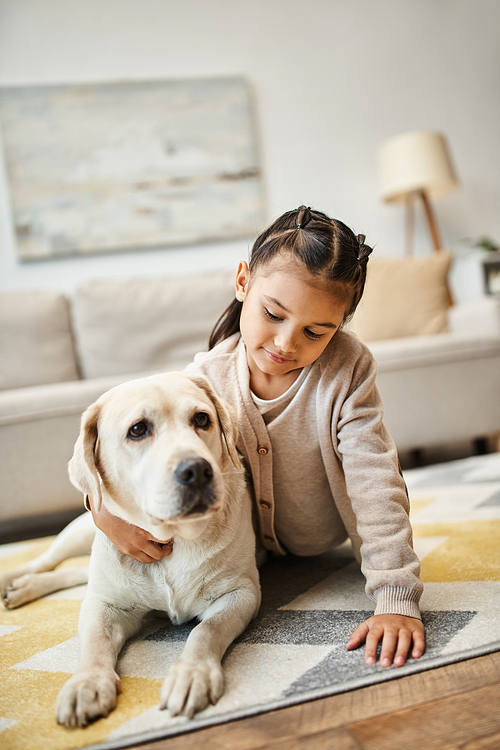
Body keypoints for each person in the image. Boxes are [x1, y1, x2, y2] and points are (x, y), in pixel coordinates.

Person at [89, 205, 425, 668]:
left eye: (315, 331)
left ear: (340, 326)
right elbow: (127, 456)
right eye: (273, 314)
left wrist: (395, 598)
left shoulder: (347, 369)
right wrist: (102, 513)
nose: (287, 343)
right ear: (243, 281)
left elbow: (375, 479)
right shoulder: (203, 381)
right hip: (254, 556)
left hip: (320, 541)